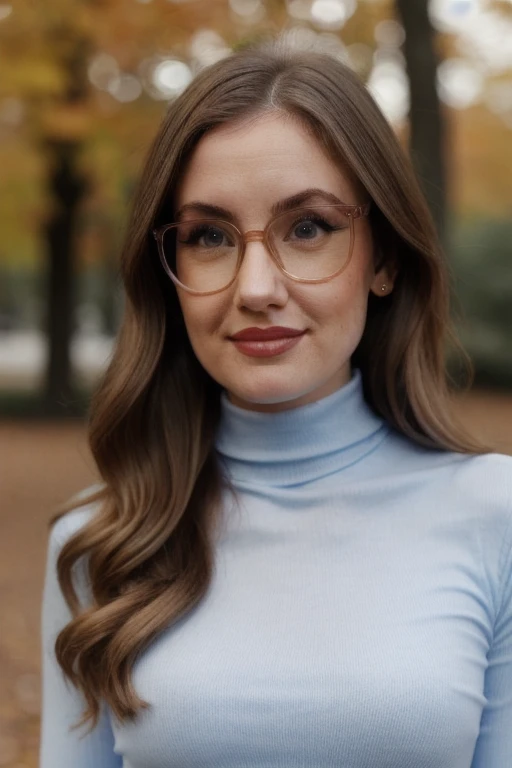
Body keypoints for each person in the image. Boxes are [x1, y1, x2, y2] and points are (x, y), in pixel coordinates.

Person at [39, 35, 512, 768]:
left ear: (383, 257)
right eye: (210, 236)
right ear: (169, 270)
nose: (256, 288)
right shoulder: (99, 545)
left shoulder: (498, 518)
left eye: (309, 228)